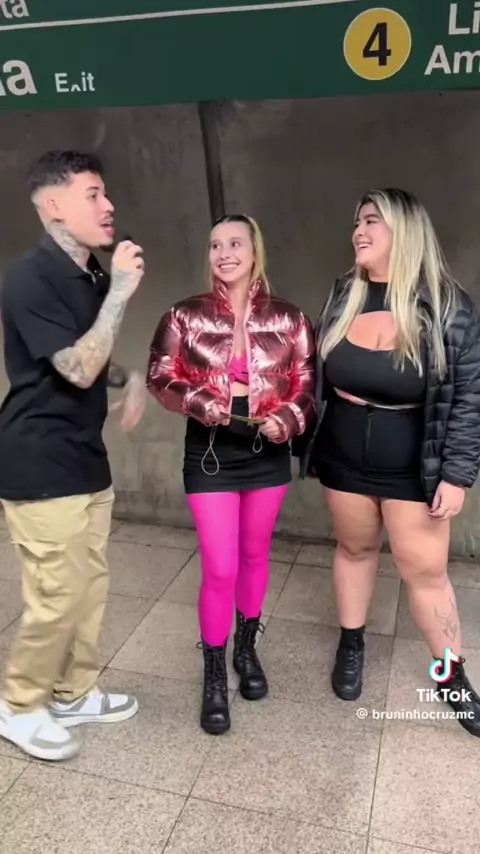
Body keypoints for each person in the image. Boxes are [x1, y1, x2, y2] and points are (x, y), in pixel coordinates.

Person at [296, 187, 480, 737]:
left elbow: (469, 398)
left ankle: (450, 677)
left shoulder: (449, 307)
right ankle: (352, 643)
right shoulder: (343, 294)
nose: (359, 231)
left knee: (425, 572)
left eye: (371, 221)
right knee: (354, 550)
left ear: (404, 231)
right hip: (343, 458)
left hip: (414, 468)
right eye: (357, 221)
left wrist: (457, 474)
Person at [0, 150, 147, 761]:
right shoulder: (29, 277)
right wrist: (122, 293)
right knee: (57, 594)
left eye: (106, 193)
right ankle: (18, 705)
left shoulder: (87, 275)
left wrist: (129, 377)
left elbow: (91, 354)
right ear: (54, 205)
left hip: (84, 455)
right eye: (93, 194)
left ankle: (72, 692)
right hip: (37, 460)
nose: (108, 205)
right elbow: (75, 368)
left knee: (88, 586)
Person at [147, 214, 315, 734]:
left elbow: (307, 385)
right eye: (216, 245)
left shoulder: (290, 318)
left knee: (253, 555)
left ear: (254, 251)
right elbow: (160, 374)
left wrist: (289, 418)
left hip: (266, 448)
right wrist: (200, 402)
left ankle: (246, 649)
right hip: (210, 449)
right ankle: (214, 671)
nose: (224, 253)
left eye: (235, 243)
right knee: (220, 567)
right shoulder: (184, 315)